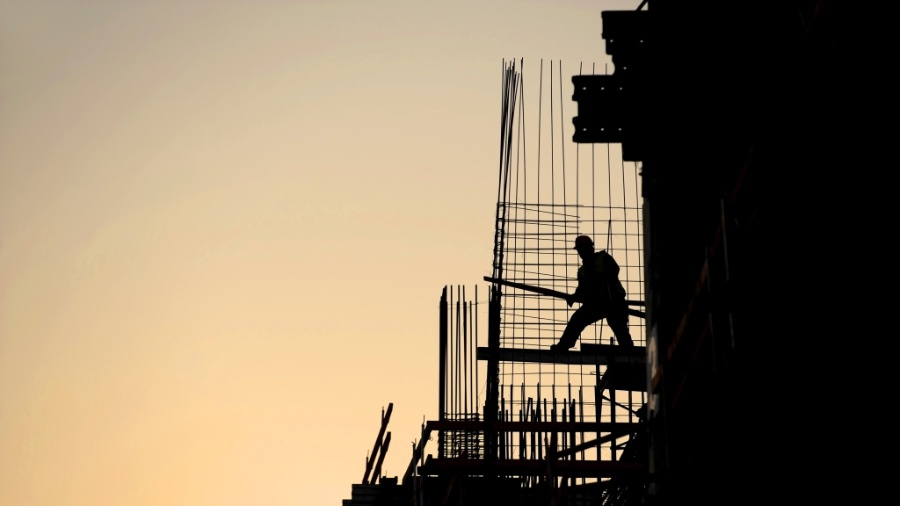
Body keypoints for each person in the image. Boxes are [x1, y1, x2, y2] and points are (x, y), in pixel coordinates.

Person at [550, 235, 634, 351]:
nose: (581, 252)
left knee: (619, 327)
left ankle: (628, 351)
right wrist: (574, 297)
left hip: (614, 301)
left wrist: (600, 282)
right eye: (580, 250)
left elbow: (614, 270)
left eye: (583, 249)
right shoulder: (582, 271)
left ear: (590, 248)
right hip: (596, 304)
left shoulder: (604, 258)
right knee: (577, 319)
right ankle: (564, 345)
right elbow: (581, 289)